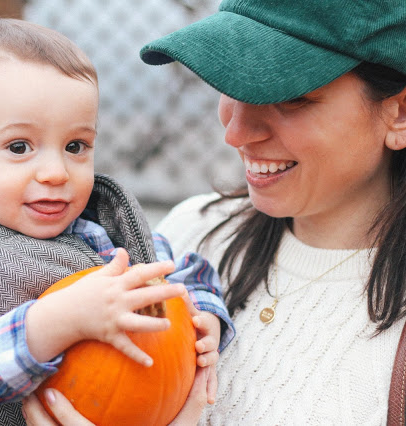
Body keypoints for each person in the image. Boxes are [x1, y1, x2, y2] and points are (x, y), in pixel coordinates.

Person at [22, 0, 406, 424]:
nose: (235, 131)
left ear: (399, 113)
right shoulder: (190, 238)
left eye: (290, 97)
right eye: (231, 82)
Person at [0, 18, 234, 425]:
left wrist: (204, 319)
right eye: (19, 146)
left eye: (75, 146)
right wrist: (55, 323)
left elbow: (184, 275)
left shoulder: (102, 230)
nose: (55, 172)